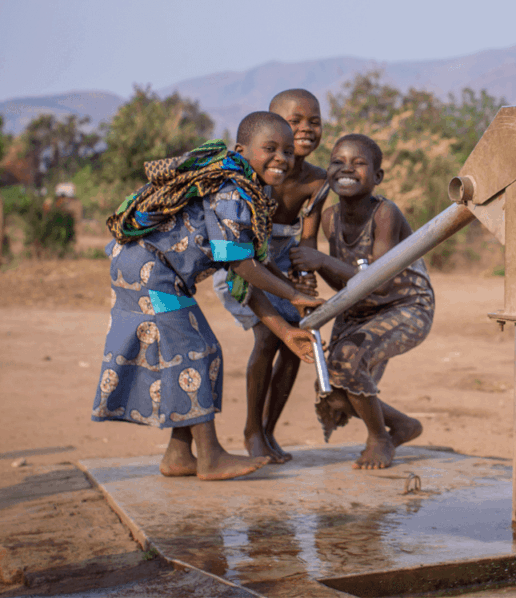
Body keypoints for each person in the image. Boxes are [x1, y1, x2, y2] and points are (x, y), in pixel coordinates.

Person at [93, 112, 324, 481]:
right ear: (241, 150)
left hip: (154, 275)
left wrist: (284, 331)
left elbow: (244, 273)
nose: (282, 158)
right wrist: (295, 295)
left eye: (287, 151)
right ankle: (210, 457)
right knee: (194, 350)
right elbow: (244, 267)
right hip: (150, 275)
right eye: (270, 149)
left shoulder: (246, 191)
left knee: (197, 349)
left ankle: (179, 454)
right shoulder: (231, 190)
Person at [290, 133, 430, 470]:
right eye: (337, 162)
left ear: (377, 176)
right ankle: (402, 426)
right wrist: (313, 267)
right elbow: (346, 281)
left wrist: (320, 260)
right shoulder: (329, 218)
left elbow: (376, 279)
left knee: (349, 361)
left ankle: (379, 438)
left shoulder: (386, 214)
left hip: (405, 305)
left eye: (358, 163)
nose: (346, 169)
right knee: (335, 390)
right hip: (357, 306)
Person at [212, 89, 328, 463]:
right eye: (295, 122)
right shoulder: (256, 174)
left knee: (298, 340)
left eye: (314, 121)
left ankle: (269, 428)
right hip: (243, 262)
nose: (305, 129)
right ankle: (251, 431)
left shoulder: (318, 181)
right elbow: (240, 254)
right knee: (268, 336)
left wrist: (304, 278)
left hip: (280, 265)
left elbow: (306, 241)